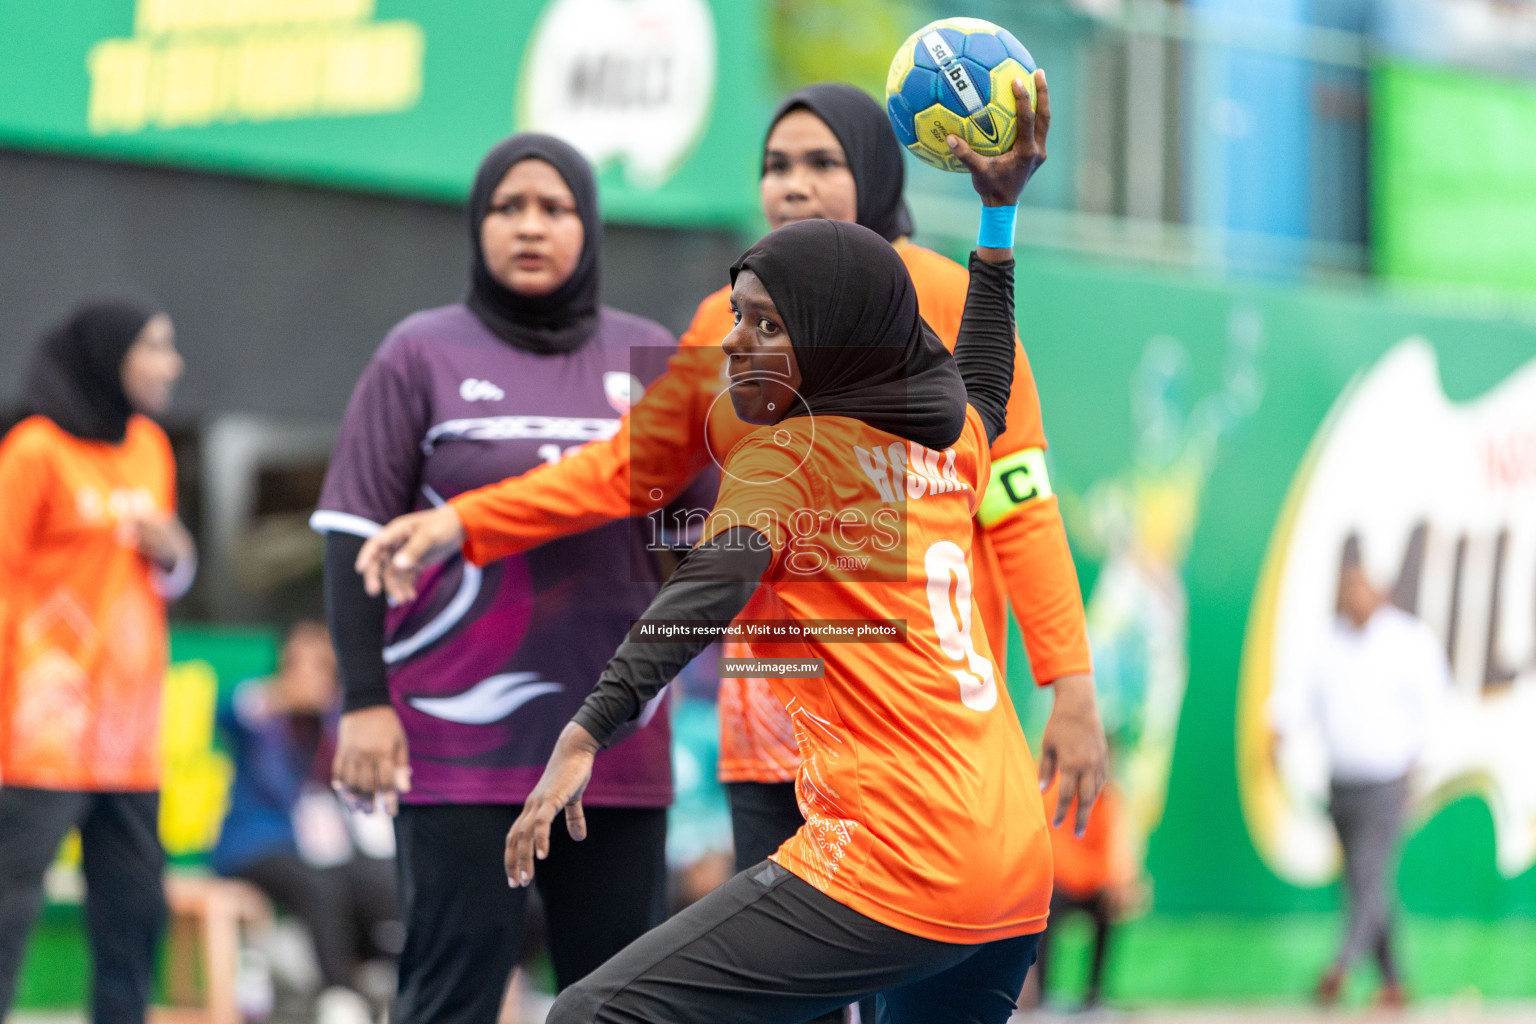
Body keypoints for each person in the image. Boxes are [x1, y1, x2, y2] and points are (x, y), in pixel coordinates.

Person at [356, 80, 1106, 888]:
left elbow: (1019, 502)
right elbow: (627, 468)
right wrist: (462, 523)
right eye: (775, 164)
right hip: (776, 721)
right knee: (787, 998)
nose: (793, 183)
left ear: (879, 177)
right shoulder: (728, 318)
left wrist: (1070, 683)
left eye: (823, 162)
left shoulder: (953, 298)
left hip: (920, 727)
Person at [312, 134, 682, 1024]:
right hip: (456, 747)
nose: (529, 227)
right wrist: (363, 702)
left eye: (553, 209)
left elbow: (697, 550)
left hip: (618, 746)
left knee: (622, 1002)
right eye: (507, 208)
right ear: (478, 224)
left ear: (588, 226)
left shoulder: (656, 356)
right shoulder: (419, 352)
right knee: (451, 997)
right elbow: (353, 537)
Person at [0, 299, 194, 1024]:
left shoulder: (150, 446)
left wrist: (174, 547)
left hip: (129, 738)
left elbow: (167, 572)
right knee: (9, 912)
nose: (171, 364)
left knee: (133, 916)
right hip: (37, 737)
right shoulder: (35, 449)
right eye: (155, 347)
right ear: (106, 354)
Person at [1268, 547, 1449, 1008]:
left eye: (1361, 587)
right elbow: (1295, 701)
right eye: (1346, 589)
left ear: (1381, 591)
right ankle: (1395, 982)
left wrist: (1419, 767)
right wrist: (1278, 733)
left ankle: (1340, 967)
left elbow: (1436, 708)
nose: (1353, 596)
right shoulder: (1326, 644)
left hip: (1389, 782)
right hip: (1342, 784)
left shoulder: (1409, 642)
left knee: (1368, 875)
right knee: (1364, 882)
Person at [212, 620, 399, 1024]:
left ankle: (375, 977)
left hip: (321, 848)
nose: (312, 674)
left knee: (373, 879)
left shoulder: (336, 721)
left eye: (322, 665)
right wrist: (281, 697)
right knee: (318, 885)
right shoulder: (261, 708)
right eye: (302, 663)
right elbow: (228, 710)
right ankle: (338, 994)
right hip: (255, 844)